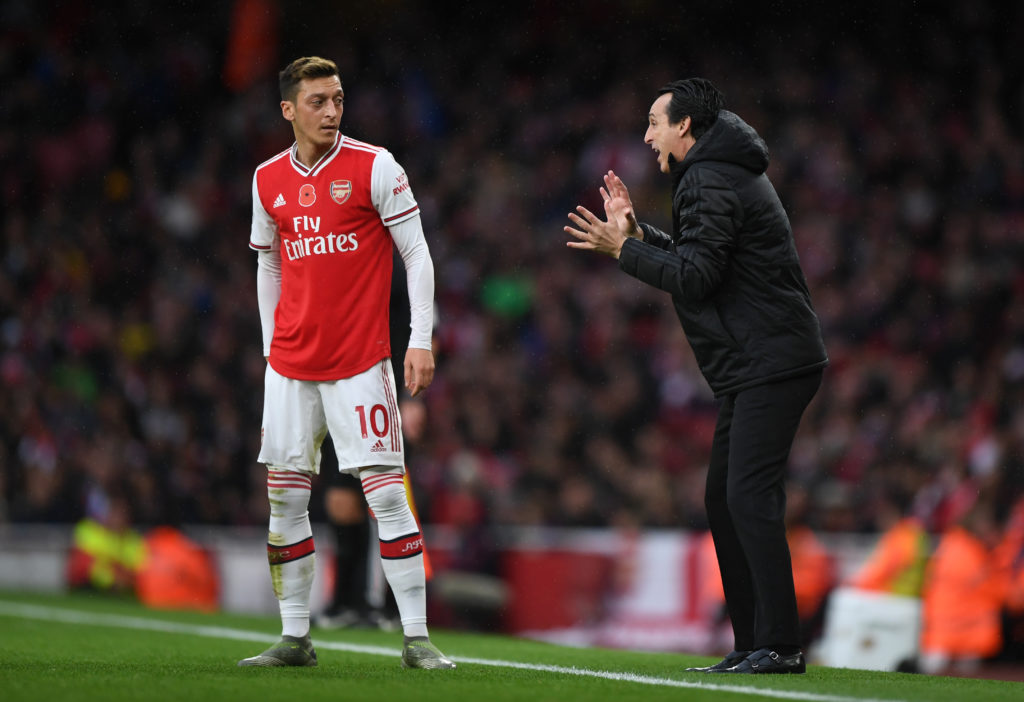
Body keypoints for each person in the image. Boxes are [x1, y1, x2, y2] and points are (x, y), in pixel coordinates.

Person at [565, 78, 828, 674]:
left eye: (654, 122)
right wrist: (638, 234)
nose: (646, 134)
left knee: (747, 495)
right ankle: (755, 642)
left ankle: (780, 644)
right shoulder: (717, 171)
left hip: (772, 360)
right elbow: (699, 257)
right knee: (723, 497)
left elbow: (697, 278)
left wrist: (622, 251)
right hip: (758, 361)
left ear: (685, 126)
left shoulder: (709, 176)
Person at [238, 56, 454, 669]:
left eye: (337, 99)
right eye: (318, 101)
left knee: (387, 496)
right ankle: (295, 637)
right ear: (289, 110)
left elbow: (417, 253)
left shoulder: (374, 166)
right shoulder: (266, 179)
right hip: (290, 366)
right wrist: (267, 349)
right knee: (285, 499)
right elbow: (269, 263)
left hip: (361, 362)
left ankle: (416, 638)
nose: (331, 110)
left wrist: (419, 338)